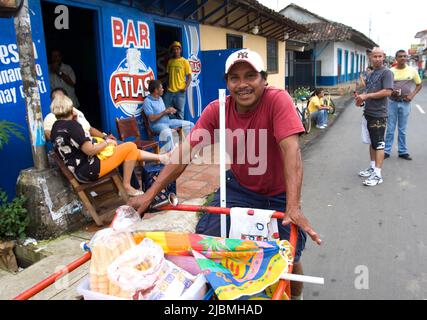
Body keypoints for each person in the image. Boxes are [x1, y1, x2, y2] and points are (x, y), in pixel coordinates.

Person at [129, 49, 322, 300]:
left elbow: (291, 151)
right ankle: (224, 291)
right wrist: (150, 195)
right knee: (206, 242)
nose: (242, 84)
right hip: (240, 187)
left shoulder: (278, 100)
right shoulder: (217, 108)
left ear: (264, 79)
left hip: (279, 192)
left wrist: (293, 205)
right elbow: (185, 151)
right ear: (227, 82)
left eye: (250, 76)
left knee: (288, 256)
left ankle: (294, 296)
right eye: (234, 78)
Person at [49, 94, 169, 197]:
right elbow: (90, 150)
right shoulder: (72, 126)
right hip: (90, 170)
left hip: (79, 172)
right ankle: (127, 186)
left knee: (128, 151)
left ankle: (160, 157)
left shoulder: (55, 128)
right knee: (130, 147)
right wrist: (106, 142)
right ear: (71, 109)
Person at [355, 47, 394, 187]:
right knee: (372, 142)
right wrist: (361, 100)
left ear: (384, 57)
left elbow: (387, 92)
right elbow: (368, 90)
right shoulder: (372, 73)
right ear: (371, 57)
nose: (377, 58)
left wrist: (366, 96)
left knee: (378, 144)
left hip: (379, 114)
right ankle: (372, 167)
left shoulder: (387, 73)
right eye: (375, 56)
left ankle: (378, 174)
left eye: (380, 56)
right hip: (369, 112)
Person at [384, 50, 422, 160]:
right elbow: (385, 87)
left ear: (407, 58)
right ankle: (386, 151)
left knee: (402, 129)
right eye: (400, 56)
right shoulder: (390, 72)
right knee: (390, 129)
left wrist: (412, 95)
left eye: (405, 56)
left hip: (405, 103)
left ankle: (402, 151)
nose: (403, 58)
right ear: (396, 58)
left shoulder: (412, 71)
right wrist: (392, 92)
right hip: (392, 103)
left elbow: (419, 85)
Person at [44, 88, 113, 142]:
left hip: (92, 143)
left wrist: (105, 137)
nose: (58, 102)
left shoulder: (77, 112)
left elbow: (90, 129)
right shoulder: (51, 116)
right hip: (82, 151)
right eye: (55, 99)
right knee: (122, 149)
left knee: (119, 145)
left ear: (67, 98)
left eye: (61, 99)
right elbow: (49, 136)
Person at [142, 80, 194, 152]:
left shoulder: (160, 98)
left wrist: (169, 111)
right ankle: (172, 156)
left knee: (190, 124)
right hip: (156, 125)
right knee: (167, 132)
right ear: (156, 90)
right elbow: (152, 119)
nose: (163, 90)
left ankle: (188, 149)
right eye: (161, 88)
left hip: (168, 122)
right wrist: (165, 112)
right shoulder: (147, 102)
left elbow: (163, 112)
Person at [162, 41, 192, 120]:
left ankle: (180, 130)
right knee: (164, 109)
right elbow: (168, 75)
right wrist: (166, 86)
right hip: (169, 91)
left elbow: (189, 77)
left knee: (180, 111)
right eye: (174, 49)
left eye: (177, 49)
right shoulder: (170, 61)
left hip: (180, 91)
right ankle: (174, 124)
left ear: (180, 50)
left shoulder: (184, 61)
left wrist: (185, 87)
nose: (176, 51)